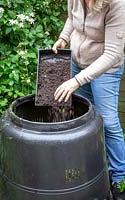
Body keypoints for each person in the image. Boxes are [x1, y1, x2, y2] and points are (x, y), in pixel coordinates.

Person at [52, 0, 125, 199]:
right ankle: (92, 166)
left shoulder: (117, 4)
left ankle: (120, 175)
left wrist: (77, 81)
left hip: (106, 69)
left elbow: (113, 53)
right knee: (85, 117)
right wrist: (64, 37)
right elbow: (72, 18)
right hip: (79, 62)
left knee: (108, 122)